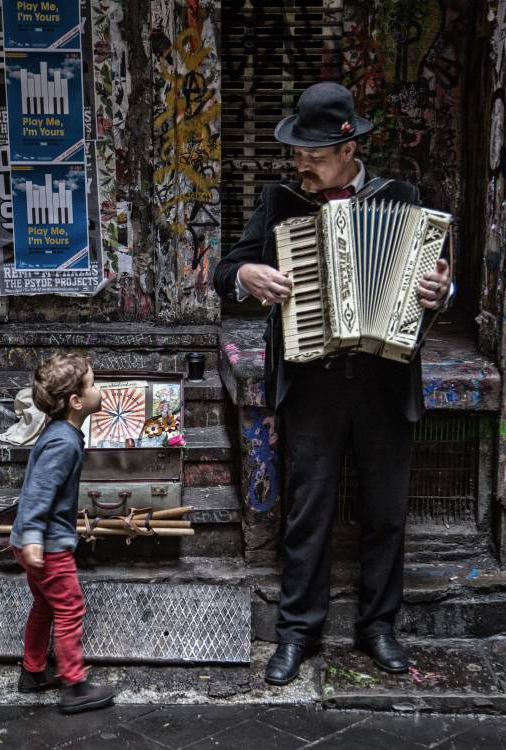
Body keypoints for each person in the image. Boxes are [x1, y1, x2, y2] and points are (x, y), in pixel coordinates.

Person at [213, 82, 452, 686]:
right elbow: (224, 271)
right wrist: (247, 273)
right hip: (311, 379)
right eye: (297, 154)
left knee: (386, 513)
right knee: (309, 510)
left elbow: (442, 287)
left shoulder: (402, 198)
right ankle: (298, 633)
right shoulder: (280, 203)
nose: (301, 165)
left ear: (348, 150)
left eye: (312, 156)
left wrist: (439, 293)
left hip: (385, 377)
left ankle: (379, 629)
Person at [10, 352, 115, 714]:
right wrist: (35, 537)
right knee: (70, 607)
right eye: (93, 384)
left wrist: (28, 538)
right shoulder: (62, 442)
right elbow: (39, 492)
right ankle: (74, 685)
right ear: (76, 402)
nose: (99, 389)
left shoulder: (61, 432)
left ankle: (34, 671)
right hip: (47, 546)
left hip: (31, 542)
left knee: (44, 604)